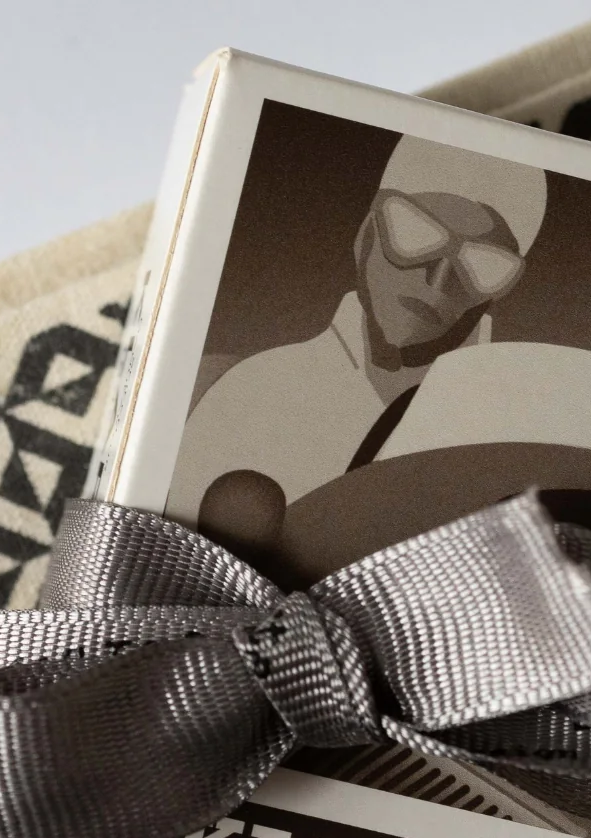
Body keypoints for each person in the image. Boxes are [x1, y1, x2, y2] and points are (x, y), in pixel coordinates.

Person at [167, 134, 547, 556]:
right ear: (366, 234)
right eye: (416, 232)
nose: (439, 279)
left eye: (482, 264)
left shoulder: (526, 428)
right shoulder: (251, 393)